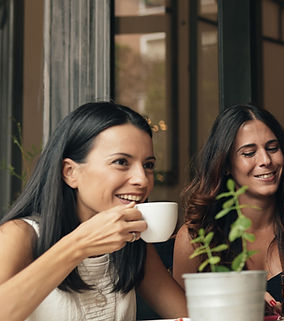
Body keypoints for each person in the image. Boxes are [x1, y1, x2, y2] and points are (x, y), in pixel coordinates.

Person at [0, 102, 187, 321]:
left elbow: (190, 316)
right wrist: (79, 244)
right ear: (70, 172)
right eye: (121, 162)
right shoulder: (19, 234)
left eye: (148, 165)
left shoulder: (134, 244)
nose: (142, 179)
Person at [172, 104, 284, 314]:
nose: (266, 160)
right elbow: (181, 316)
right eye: (249, 152)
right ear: (225, 165)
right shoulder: (194, 237)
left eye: (272, 148)